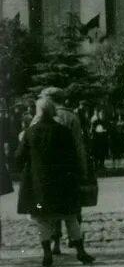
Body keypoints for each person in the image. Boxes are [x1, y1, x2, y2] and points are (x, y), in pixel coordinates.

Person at [16, 96, 93, 267]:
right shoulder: (63, 131)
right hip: (63, 182)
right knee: (70, 218)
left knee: (42, 220)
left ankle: (47, 253)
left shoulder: (30, 132)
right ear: (52, 111)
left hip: (39, 183)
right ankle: (80, 251)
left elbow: (19, 157)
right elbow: (73, 156)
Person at [40, 87, 90, 256]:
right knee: (72, 207)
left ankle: (55, 244)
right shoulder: (72, 117)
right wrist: (83, 168)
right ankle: (75, 241)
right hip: (69, 168)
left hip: (47, 168)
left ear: (49, 99)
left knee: (50, 208)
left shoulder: (41, 116)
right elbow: (78, 145)